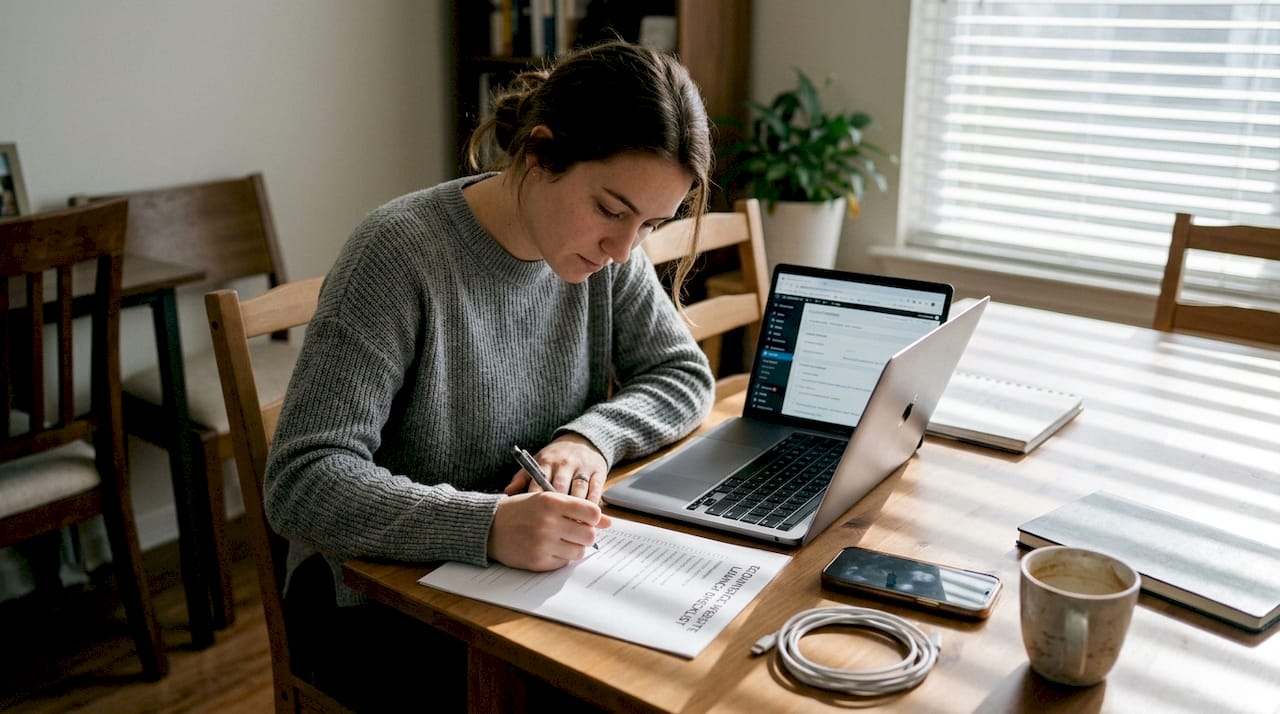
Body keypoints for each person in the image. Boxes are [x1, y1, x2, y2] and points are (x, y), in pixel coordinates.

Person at [265, 39, 716, 711]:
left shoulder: (608, 258)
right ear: (540, 153)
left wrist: (590, 438)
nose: (624, 250)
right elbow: (301, 480)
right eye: (612, 211)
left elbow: (683, 373)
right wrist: (486, 526)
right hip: (372, 599)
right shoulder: (398, 254)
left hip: (520, 578)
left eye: (651, 225)